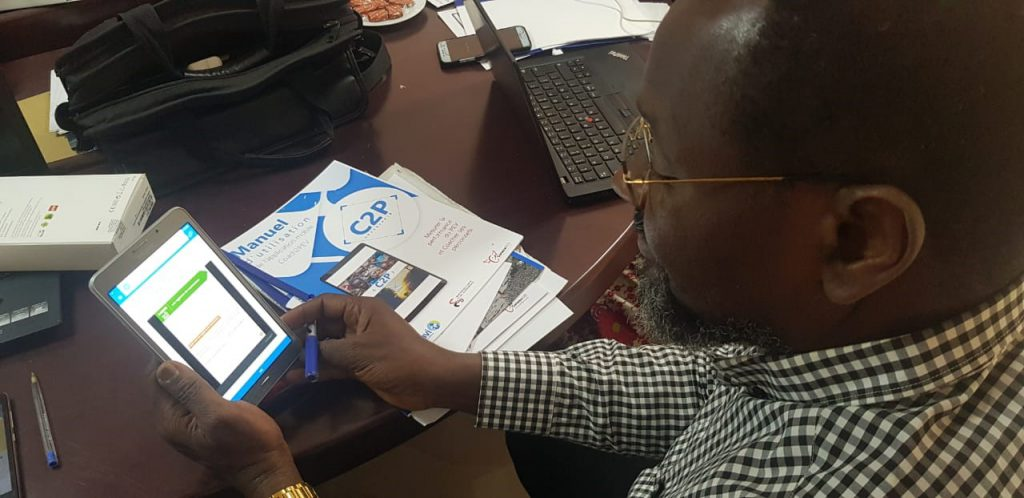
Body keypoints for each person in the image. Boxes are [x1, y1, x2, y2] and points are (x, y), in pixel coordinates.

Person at [152, 0, 1024, 496]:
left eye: (664, 160)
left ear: (858, 240)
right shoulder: (895, 322)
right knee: (538, 440)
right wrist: (446, 372)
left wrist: (274, 478)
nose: (625, 181)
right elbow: (721, 378)